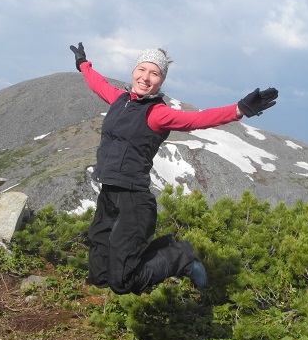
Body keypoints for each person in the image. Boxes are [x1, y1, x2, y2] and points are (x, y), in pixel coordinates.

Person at [69, 41, 278, 295]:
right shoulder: (119, 100)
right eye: (142, 69)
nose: (145, 78)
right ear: (133, 71)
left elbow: (196, 120)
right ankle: (159, 250)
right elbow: (98, 83)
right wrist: (83, 64)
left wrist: (239, 109)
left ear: (160, 81)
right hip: (109, 194)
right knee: (100, 274)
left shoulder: (157, 113)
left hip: (133, 200)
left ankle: (181, 257)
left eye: (154, 73)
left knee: (122, 282)